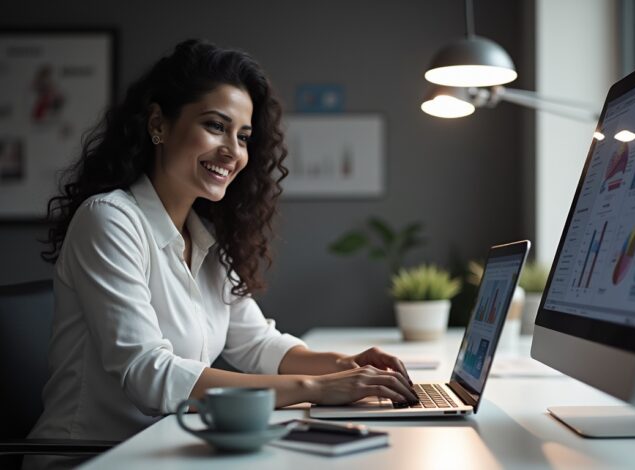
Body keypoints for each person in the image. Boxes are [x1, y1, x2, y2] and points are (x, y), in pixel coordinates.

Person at [28, 39, 416, 464]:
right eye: (215, 126)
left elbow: (257, 343)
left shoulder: (205, 238)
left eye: (243, 137)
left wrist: (348, 366)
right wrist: (317, 389)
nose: (233, 151)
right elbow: (148, 374)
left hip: (166, 450)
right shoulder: (108, 219)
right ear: (158, 124)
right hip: (89, 457)